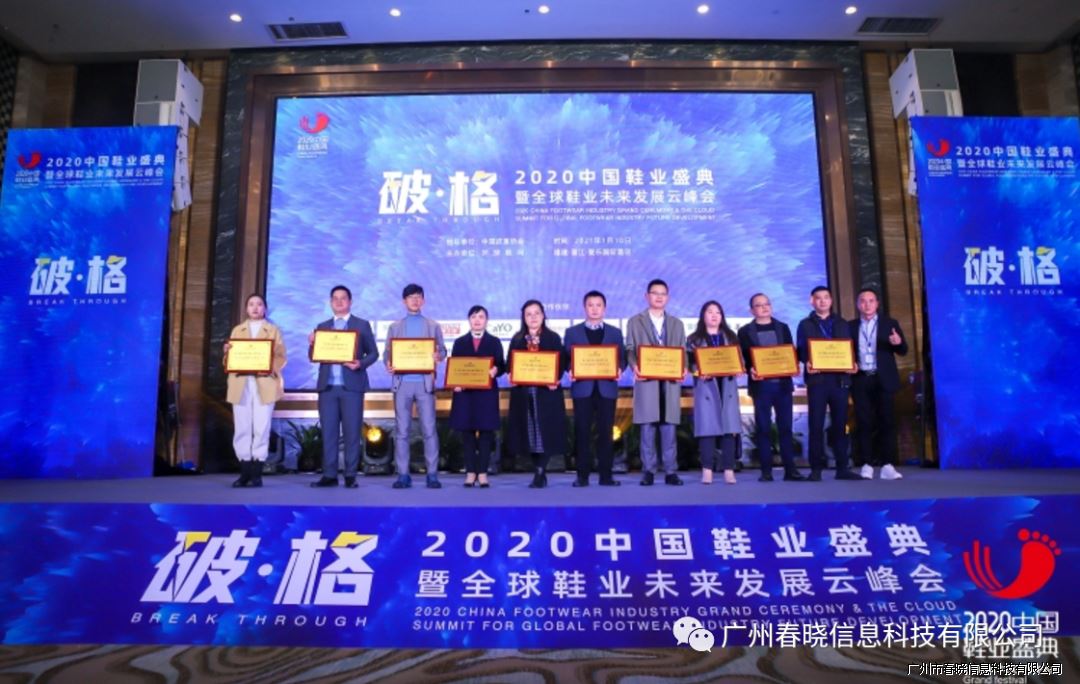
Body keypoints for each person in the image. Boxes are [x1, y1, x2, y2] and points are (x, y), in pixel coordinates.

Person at [309, 285, 379, 488]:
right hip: (328, 387)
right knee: (329, 433)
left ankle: (350, 475)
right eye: (335, 298)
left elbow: (373, 353)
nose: (339, 302)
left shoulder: (361, 325)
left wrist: (360, 364)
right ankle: (329, 475)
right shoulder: (322, 326)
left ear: (350, 301)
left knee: (352, 433)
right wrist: (312, 344)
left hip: (352, 387)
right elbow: (313, 356)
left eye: (343, 298)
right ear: (331, 302)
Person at [626, 278, 688, 486]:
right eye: (655, 293)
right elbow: (630, 349)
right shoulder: (635, 321)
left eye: (663, 294)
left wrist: (684, 366)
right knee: (647, 427)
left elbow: (683, 351)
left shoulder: (677, 324)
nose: (659, 297)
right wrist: (634, 366)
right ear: (647, 296)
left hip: (670, 382)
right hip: (647, 381)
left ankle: (670, 471)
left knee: (669, 427)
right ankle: (648, 471)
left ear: (667, 297)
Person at [385, 283, 447, 489]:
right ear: (404, 301)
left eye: (418, 297)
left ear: (423, 300)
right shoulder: (395, 327)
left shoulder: (433, 325)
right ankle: (403, 474)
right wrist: (388, 363)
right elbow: (387, 353)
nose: (415, 300)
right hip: (402, 383)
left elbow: (443, 350)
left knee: (429, 430)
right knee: (402, 431)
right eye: (411, 297)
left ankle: (432, 474)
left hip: (424, 384)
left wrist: (439, 356)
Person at [737, 293, 805, 482]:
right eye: (759, 305)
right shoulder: (745, 331)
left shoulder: (782, 327)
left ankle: (790, 470)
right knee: (763, 429)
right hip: (761, 387)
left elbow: (790, 352)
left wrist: (794, 366)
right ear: (752, 310)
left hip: (783, 386)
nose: (764, 307)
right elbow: (744, 358)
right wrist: (750, 369)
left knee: (786, 429)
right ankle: (766, 471)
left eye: (767, 304)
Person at [796, 285, 861, 481]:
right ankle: (816, 469)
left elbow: (850, 348)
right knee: (815, 425)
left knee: (840, 425)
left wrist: (853, 364)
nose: (823, 301)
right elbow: (801, 349)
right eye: (818, 298)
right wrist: (807, 361)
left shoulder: (842, 323)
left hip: (840, 380)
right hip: (817, 380)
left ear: (831, 300)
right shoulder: (805, 324)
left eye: (826, 297)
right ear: (812, 301)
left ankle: (842, 468)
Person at [224, 293, 287, 488]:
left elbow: (281, 357)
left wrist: (267, 367)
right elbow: (228, 361)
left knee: (262, 427)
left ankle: (257, 472)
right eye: (251, 304)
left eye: (259, 304)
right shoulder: (237, 330)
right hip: (240, 383)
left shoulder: (273, 330)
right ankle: (244, 472)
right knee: (242, 427)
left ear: (265, 309)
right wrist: (227, 354)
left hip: (264, 383)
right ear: (246, 308)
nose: (255, 307)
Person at [564, 290, 625, 487]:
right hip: (583, 389)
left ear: (604, 308)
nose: (594, 309)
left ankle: (606, 476)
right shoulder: (572, 333)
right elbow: (566, 359)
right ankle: (582, 476)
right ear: (585, 308)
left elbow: (622, 358)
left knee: (606, 433)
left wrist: (619, 368)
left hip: (607, 389)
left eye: (598, 305)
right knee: (582, 432)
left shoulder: (615, 333)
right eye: (590, 305)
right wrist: (570, 369)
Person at [506, 299, 568, 489]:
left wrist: (556, 378)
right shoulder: (517, 339)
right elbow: (509, 364)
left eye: (537, 313)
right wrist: (511, 375)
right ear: (524, 318)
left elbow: (562, 363)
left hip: (546, 393)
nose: (533, 317)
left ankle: (540, 471)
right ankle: (538, 469)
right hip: (524, 393)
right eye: (529, 314)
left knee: (544, 432)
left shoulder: (553, 338)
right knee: (530, 432)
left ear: (543, 315)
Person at [849, 288, 909, 480]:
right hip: (860, 378)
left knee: (887, 421)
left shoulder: (890, 323)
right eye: (863, 301)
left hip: (883, 378)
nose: (867, 304)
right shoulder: (850, 326)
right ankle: (866, 463)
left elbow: (903, 350)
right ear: (858, 304)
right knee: (864, 422)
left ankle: (887, 465)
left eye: (871, 301)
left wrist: (897, 342)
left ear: (877, 304)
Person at [448, 305, 505, 488]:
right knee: (467, 434)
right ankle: (470, 472)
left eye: (481, 317)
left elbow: (502, 365)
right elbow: (455, 368)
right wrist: (455, 383)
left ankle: (483, 473)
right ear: (469, 320)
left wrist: (496, 370)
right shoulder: (459, 342)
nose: (477, 320)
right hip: (465, 395)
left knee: (486, 434)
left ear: (486, 320)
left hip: (486, 394)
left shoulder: (494, 342)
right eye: (474, 317)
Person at [686, 301, 741, 485]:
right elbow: (689, 365)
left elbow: (739, 359)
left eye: (718, 312)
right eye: (710, 312)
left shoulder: (731, 337)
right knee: (707, 431)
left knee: (729, 430)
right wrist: (697, 372)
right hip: (706, 388)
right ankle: (707, 470)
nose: (714, 315)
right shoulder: (694, 339)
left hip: (727, 387)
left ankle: (729, 470)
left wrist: (739, 368)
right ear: (703, 316)